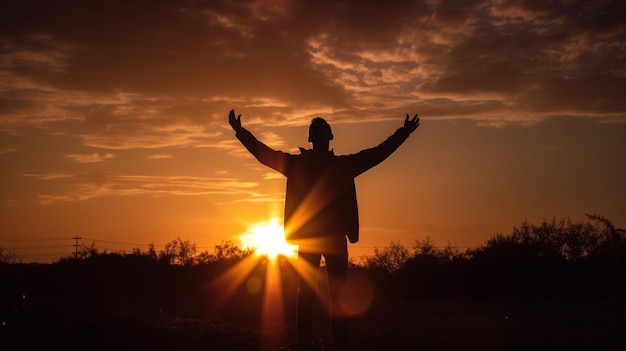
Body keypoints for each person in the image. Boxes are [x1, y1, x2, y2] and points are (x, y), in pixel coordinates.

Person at [228, 109, 419, 350]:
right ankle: (317, 342)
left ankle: (323, 342)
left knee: (323, 295)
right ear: (318, 138)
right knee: (317, 295)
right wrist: (240, 132)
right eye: (317, 133)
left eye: (321, 133)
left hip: (325, 238)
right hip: (318, 238)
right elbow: (264, 154)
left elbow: (376, 154)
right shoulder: (322, 165)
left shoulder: (324, 165)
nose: (319, 137)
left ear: (326, 137)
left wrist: (403, 133)